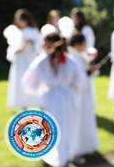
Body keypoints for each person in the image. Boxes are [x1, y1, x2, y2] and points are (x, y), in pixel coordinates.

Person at [22, 34, 84, 166]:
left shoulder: (41, 60)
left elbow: (29, 83)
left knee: (50, 128)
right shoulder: (71, 60)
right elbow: (79, 82)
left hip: (50, 97)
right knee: (68, 127)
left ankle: (54, 156)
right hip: (68, 97)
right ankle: (66, 155)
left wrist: (41, 90)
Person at [68, 33, 99, 163]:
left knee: (84, 120)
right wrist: (88, 72)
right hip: (77, 96)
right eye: (83, 43)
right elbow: (76, 77)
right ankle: (75, 151)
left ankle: (85, 147)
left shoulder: (79, 56)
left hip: (84, 94)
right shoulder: (72, 57)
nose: (85, 46)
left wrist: (90, 70)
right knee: (77, 122)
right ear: (77, 44)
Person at [3, 9, 41, 109]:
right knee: (20, 82)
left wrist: (31, 43)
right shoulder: (14, 31)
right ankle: (23, 105)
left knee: (32, 80)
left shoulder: (33, 31)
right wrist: (17, 50)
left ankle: (39, 103)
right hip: (19, 61)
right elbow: (11, 47)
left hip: (30, 59)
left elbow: (39, 46)